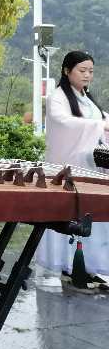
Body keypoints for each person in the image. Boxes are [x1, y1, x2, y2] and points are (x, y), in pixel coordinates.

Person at [35, 51, 109, 289]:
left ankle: (89, 267)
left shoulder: (87, 99)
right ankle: (68, 267)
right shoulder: (57, 97)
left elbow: (102, 120)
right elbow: (63, 123)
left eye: (91, 71)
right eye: (82, 70)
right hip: (69, 168)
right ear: (67, 71)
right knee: (71, 215)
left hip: (91, 167)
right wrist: (100, 125)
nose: (87, 75)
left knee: (93, 217)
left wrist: (103, 123)